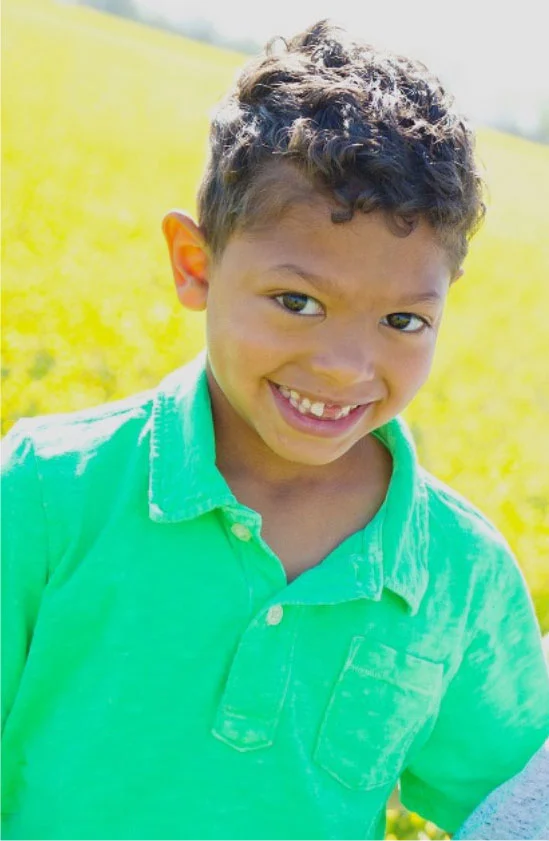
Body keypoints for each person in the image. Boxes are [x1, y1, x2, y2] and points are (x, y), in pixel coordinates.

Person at [2, 19, 548, 841]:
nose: (343, 365)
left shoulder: (457, 578)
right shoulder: (48, 489)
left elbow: (515, 802)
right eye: (297, 302)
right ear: (196, 266)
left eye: (401, 319)